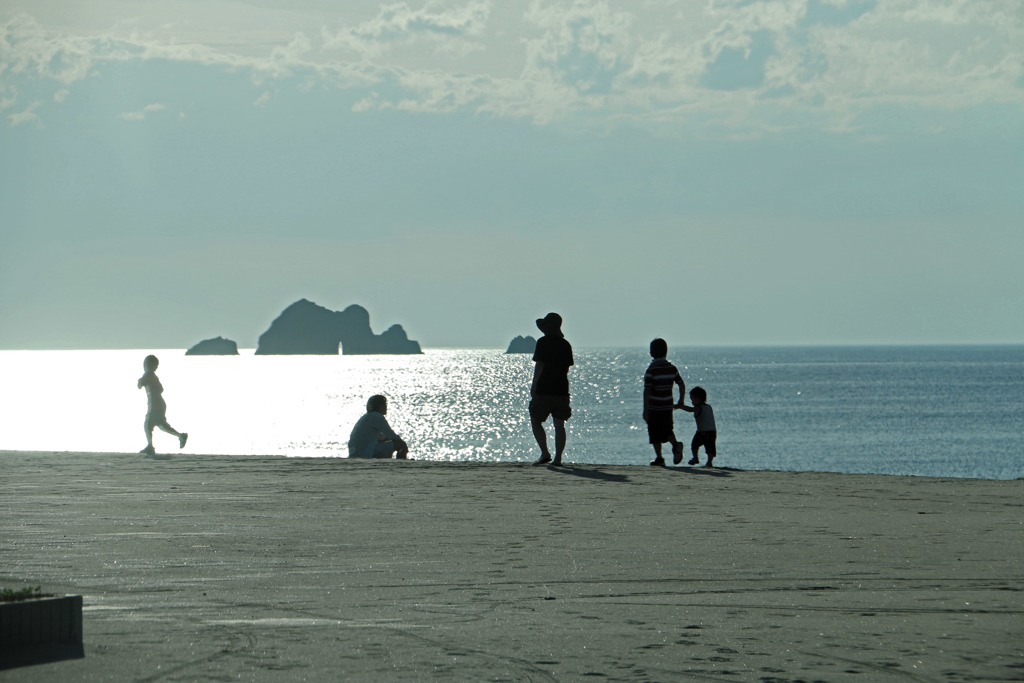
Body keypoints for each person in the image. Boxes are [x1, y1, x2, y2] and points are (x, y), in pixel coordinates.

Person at [529, 312, 574, 467]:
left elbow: (539, 366)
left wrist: (534, 387)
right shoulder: (566, 344)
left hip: (544, 389)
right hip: (561, 389)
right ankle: (558, 458)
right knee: (559, 425)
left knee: (536, 420)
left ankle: (545, 452)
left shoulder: (542, 342)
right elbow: (566, 369)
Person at [643, 338, 686, 467]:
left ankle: (659, 458)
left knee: (654, 432)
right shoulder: (671, 368)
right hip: (667, 406)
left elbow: (647, 391)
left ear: (651, 353)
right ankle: (676, 444)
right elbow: (681, 384)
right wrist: (681, 400)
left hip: (654, 407)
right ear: (666, 352)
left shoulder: (651, 370)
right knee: (668, 430)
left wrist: (645, 410)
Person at [137, 354, 188, 455]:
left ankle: (150, 446)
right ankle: (180, 436)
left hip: (155, 403)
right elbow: (161, 389)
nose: (145, 366)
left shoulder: (148, 375)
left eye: (146, 364)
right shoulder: (152, 376)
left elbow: (141, 385)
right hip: (158, 403)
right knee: (162, 425)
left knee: (148, 424)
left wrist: (140, 381)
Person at [348, 395, 409, 459]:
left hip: (357, 453)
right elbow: (391, 435)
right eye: (385, 405)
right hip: (366, 453)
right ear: (380, 406)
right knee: (401, 444)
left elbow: (380, 438)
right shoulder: (377, 416)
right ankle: (401, 461)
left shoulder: (367, 417)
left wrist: (386, 438)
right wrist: (401, 441)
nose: (386, 407)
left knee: (392, 443)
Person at [680, 386, 717, 467]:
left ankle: (695, 457)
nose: (692, 401)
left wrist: (680, 406)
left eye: (692, 399)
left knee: (694, 444)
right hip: (712, 431)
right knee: (710, 447)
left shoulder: (698, 407)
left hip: (702, 431)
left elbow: (690, 410)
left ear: (698, 398)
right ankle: (709, 461)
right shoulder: (708, 407)